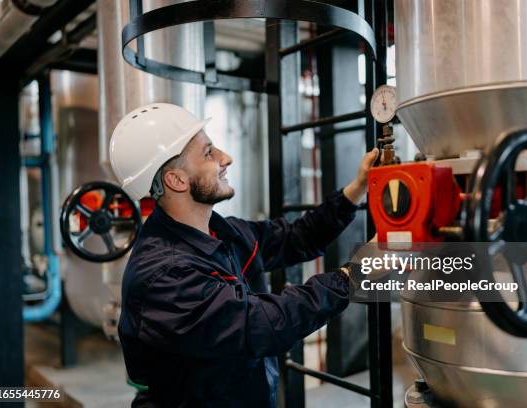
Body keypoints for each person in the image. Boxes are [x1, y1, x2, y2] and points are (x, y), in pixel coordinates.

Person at [109, 103, 379, 407]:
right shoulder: (164, 276)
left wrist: (357, 189)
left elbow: (296, 238)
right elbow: (263, 325)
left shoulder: (220, 232)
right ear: (177, 180)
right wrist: (354, 275)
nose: (226, 158)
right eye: (209, 153)